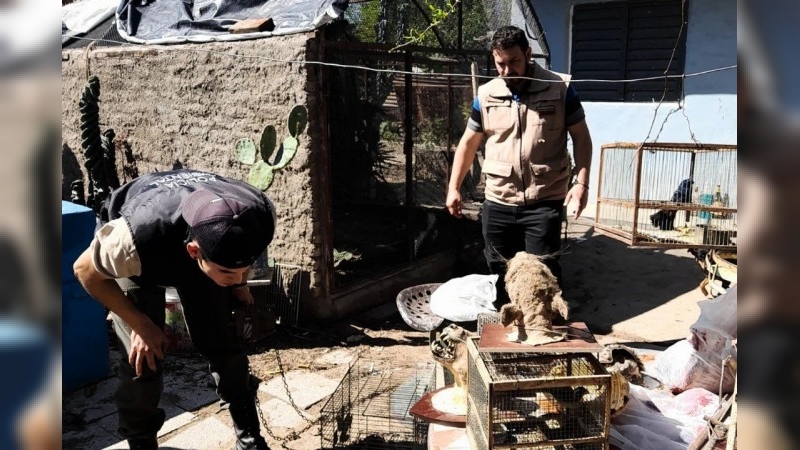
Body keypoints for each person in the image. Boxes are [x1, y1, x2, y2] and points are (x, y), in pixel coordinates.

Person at [73, 169, 277, 450]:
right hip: (145, 256)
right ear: (194, 252)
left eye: (244, 269)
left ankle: (250, 440)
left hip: (201, 244)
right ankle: (142, 443)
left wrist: (239, 284)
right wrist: (140, 324)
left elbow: (239, 261)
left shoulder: (259, 214)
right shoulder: (132, 238)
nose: (239, 275)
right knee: (144, 359)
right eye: (231, 271)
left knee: (224, 342)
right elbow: (84, 271)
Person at [446, 26, 593, 306]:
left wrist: (581, 184)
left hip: (544, 200)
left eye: (513, 61)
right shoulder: (487, 94)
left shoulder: (560, 88)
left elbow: (582, 138)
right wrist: (453, 187)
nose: (507, 70)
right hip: (499, 200)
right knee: (498, 272)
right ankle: (507, 331)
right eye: (500, 63)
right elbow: (468, 143)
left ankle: (545, 332)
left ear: (527, 54)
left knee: (543, 273)